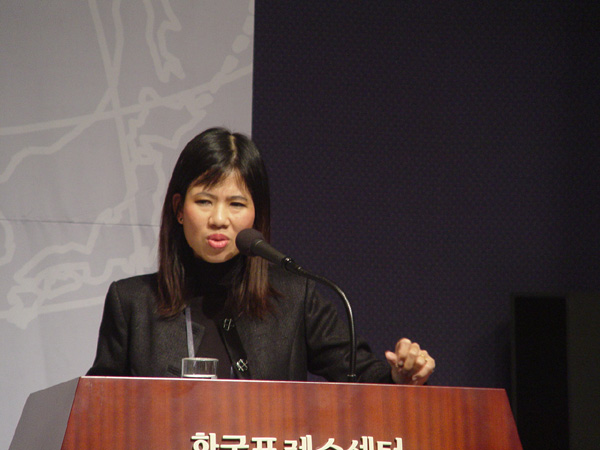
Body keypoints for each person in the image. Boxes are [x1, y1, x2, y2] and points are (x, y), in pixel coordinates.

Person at [87, 127, 435, 384]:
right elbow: (97, 409)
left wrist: (403, 374)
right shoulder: (132, 303)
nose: (219, 219)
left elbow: (363, 376)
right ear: (179, 209)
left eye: (236, 204)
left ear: (256, 214)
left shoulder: (295, 298)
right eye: (204, 201)